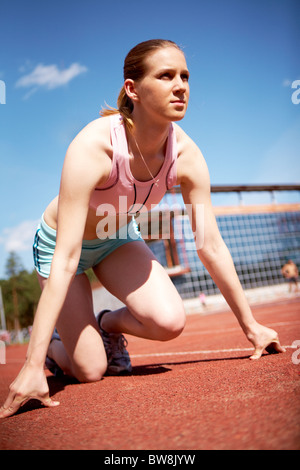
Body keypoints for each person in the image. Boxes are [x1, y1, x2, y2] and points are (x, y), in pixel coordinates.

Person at [0, 39, 285, 419]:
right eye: (166, 75)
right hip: (61, 246)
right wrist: (31, 365)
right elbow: (66, 258)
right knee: (91, 370)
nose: (181, 85)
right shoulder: (94, 147)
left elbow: (210, 245)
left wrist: (252, 327)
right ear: (132, 89)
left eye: (185, 75)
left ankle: (106, 323)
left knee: (170, 323)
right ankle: (55, 347)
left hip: (116, 238)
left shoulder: (187, 157)